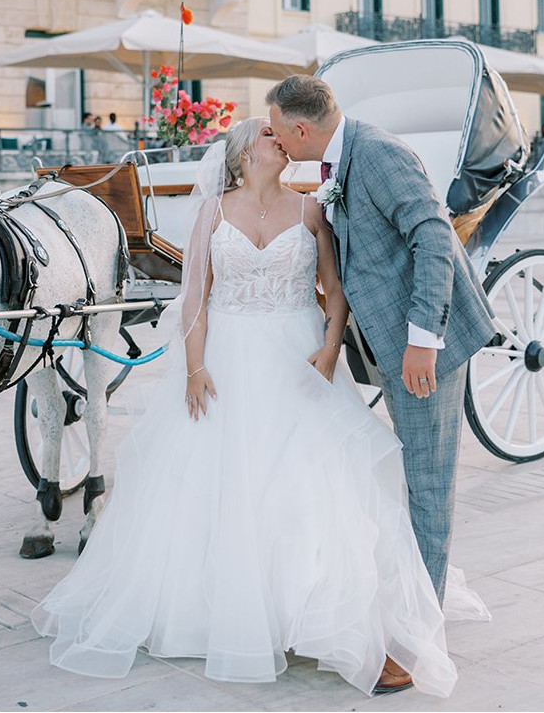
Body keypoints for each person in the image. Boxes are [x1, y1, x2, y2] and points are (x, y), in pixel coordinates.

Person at [32, 118, 458, 697]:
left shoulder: (311, 212)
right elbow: (195, 298)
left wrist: (332, 349)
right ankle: (232, 612)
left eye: (280, 132)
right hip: (226, 360)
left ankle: (314, 616)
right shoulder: (213, 212)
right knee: (221, 483)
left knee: (310, 485)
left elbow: (333, 292)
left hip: (299, 361)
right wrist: (195, 367)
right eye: (266, 134)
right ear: (240, 155)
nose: (278, 139)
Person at [267, 77, 494, 650]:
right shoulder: (339, 161)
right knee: (412, 475)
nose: (276, 141)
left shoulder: (378, 153)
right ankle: (413, 605)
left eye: (277, 131)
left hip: (424, 344)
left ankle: (419, 636)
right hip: (392, 342)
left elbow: (433, 238)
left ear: (301, 128)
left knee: (426, 481)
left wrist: (424, 340)